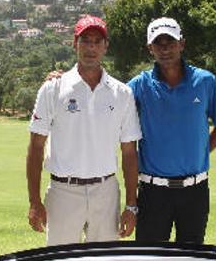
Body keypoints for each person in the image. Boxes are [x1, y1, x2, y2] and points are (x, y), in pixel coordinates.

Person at [26, 15, 142, 245]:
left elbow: (129, 152)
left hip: (106, 191)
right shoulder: (52, 89)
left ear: (106, 46)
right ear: (74, 43)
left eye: (97, 41)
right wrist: (34, 201)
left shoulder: (122, 93)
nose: (91, 47)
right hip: (63, 191)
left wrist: (131, 205)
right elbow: (36, 147)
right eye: (85, 40)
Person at [128, 17, 216, 244]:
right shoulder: (139, 85)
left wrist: (201, 153)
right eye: (158, 43)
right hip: (153, 192)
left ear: (182, 44)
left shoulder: (205, 81)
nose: (165, 48)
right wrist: (61, 80)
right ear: (149, 48)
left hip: (195, 190)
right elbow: (109, 100)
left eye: (170, 41)